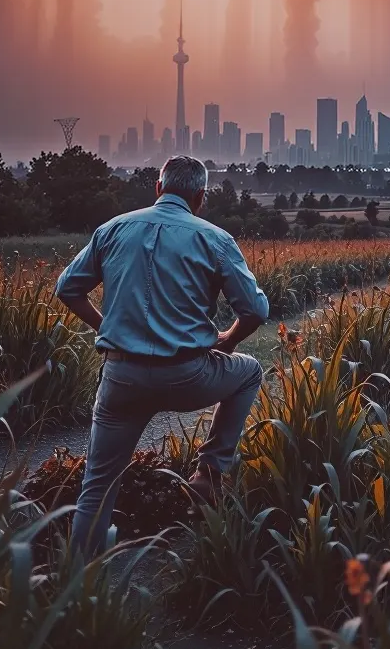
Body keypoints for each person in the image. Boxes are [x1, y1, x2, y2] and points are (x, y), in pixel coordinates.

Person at [54, 154, 269, 556]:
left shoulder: (112, 229)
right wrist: (229, 341)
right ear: (200, 197)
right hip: (188, 376)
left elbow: (67, 289)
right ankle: (209, 470)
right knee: (250, 372)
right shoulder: (215, 239)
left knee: (98, 485)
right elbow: (255, 311)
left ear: (158, 188)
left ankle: (79, 586)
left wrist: (108, 328)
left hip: (122, 377)